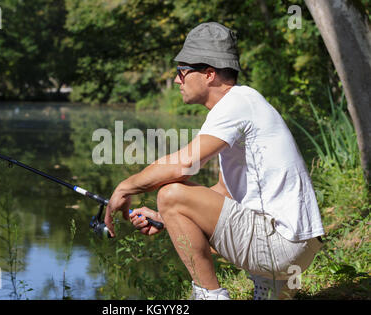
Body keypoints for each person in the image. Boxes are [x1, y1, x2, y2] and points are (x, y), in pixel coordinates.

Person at [104, 22, 325, 300]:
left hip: (283, 245)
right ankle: (271, 287)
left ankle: (211, 296)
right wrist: (167, 220)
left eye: (182, 72)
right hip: (297, 247)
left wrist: (125, 188)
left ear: (209, 74)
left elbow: (183, 165)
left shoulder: (236, 104)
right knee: (175, 204)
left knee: (171, 193)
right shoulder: (245, 103)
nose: (176, 80)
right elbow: (225, 192)